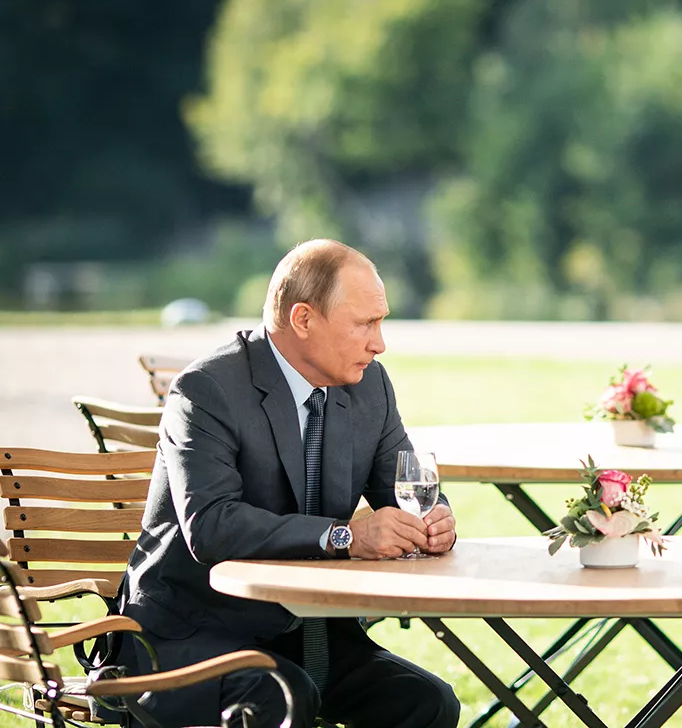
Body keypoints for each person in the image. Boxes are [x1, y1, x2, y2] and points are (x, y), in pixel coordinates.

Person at [116, 239, 461, 728]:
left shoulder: (371, 386)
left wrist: (434, 521)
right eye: (365, 323)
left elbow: (406, 489)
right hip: (189, 640)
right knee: (286, 696)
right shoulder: (206, 390)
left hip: (313, 636)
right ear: (303, 319)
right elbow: (211, 526)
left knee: (426, 702)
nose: (379, 343)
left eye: (381, 322)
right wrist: (345, 535)